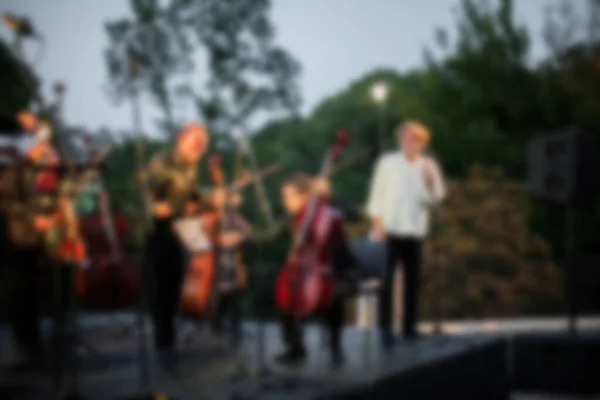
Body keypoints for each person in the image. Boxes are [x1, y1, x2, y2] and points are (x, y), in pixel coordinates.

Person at [0, 115, 79, 366]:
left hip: (49, 239)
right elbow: (6, 202)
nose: (44, 148)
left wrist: (64, 204)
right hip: (21, 239)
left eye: (46, 142)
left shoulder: (52, 167)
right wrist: (33, 219)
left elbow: (67, 189)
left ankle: (56, 336)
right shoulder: (14, 168)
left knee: (58, 284)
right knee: (23, 295)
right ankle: (28, 346)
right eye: (39, 143)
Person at [365, 121, 446, 347]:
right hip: (388, 229)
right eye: (406, 137)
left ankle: (409, 328)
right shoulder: (387, 162)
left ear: (422, 142)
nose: (410, 142)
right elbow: (376, 194)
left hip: (414, 230)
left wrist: (429, 182)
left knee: (412, 281)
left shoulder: (429, 165)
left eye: (415, 139)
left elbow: (436, 199)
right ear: (400, 140)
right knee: (386, 281)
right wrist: (377, 223)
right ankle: (385, 330)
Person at [275, 173, 355, 367]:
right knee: (285, 291)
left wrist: (330, 196)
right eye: (283, 196)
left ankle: (336, 348)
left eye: (289, 196)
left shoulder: (327, 211)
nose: (285, 201)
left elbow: (353, 215)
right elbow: (270, 234)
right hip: (309, 269)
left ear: (304, 196)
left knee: (333, 296)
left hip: (338, 267)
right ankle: (295, 347)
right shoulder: (295, 218)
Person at [145, 123, 209, 356]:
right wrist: (154, 206)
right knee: (162, 288)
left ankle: (170, 338)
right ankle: (164, 342)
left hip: (180, 228)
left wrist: (208, 200)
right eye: (196, 143)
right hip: (159, 230)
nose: (199, 149)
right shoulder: (162, 162)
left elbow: (194, 195)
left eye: (202, 145)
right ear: (181, 140)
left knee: (176, 285)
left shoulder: (191, 167)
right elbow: (147, 192)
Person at [211, 191, 252, 347]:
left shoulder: (234, 218)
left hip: (233, 265)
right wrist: (218, 240)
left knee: (234, 301)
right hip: (216, 266)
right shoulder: (213, 218)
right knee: (218, 301)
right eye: (217, 199)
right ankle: (217, 329)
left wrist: (239, 237)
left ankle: (236, 334)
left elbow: (247, 229)